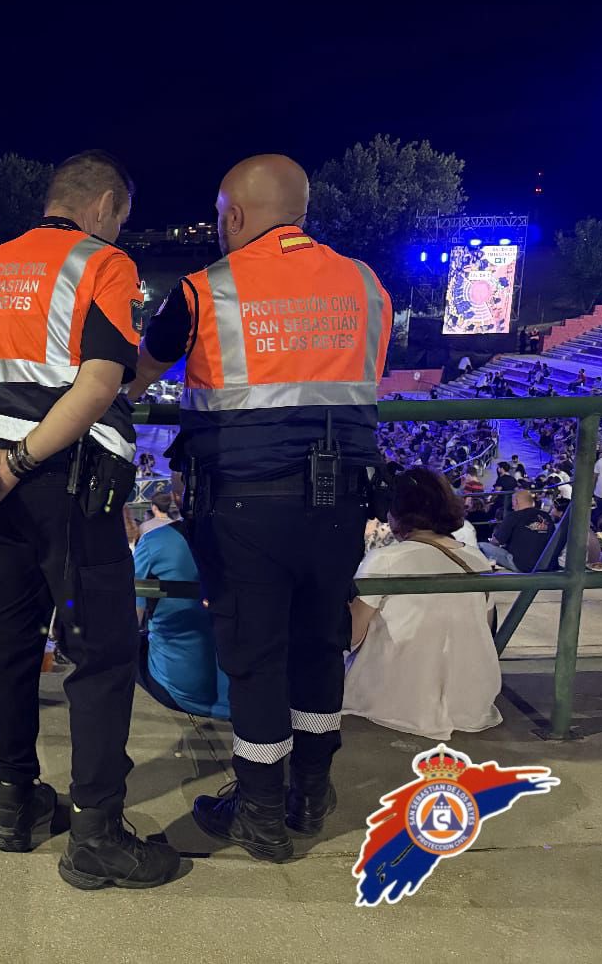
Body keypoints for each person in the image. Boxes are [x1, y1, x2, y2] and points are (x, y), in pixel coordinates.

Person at [0, 149, 180, 890]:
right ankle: (97, 833)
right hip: (69, 490)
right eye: (122, 217)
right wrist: (21, 460)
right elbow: (103, 380)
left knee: (10, 646)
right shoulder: (102, 263)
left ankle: (16, 807)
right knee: (101, 657)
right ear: (103, 205)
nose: (120, 229)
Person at [134, 154, 390, 863]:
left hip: (245, 508)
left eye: (219, 217)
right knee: (318, 645)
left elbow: (137, 372)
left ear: (235, 216)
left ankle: (262, 814)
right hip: (342, 504)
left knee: (255, 660)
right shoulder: (367, 284)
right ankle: (311, 791)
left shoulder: (204, 290)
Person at [345, 470, 502, 740]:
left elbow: (350, 635)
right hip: (472, 700)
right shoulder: (476, 558)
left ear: (395, 512)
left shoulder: (385, 560)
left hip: (397, 699)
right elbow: (485, 629)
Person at [134, 494, 229, 719]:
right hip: (251, 692)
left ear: (178, 496)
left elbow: (129, 621)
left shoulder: (154, 541)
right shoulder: (257, 541)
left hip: (181, 691)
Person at [481, 490, 552, 572]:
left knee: (481, 546)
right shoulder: (547, 517)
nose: (512, 507)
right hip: (543, 565)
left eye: (513, 503)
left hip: (520, 565)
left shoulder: (513, 516)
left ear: (517, 501)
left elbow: (497, 541)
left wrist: (493, 539)